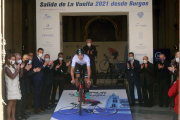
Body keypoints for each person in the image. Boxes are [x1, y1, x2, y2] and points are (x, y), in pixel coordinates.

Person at [4, 54, 23, 120]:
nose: (13, 61)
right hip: (11, 87)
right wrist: (18, 69)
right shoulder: (6, 67)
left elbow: (20, 75)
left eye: (14, 59)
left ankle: (13, 117)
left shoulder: (15, 66)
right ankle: (9, 118)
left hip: (16, 87)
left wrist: (21, 68)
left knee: (14, 103)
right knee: (11, 102)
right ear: (8, 59)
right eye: (12, 59)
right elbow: (12, 76)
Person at [32, 48, 49, 114]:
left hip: (42, 79)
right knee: (36, 94)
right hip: (36, 79)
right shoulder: (34, 59)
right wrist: (44, 65)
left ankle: (39, 107)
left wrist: (48, 65)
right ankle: (36, 108)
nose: (41, 53)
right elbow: (37, 68)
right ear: (37, 52)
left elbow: (44, 69)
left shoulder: (42, 60)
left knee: (40, 94)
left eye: (42, 52)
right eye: (40, 52)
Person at [14, 53, 26, 120]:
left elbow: (21, 75)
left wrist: (21, 68)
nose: (20, 60)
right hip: (15, 85)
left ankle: (21, 113)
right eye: (19, 59)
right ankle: (17, 115)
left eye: (20, 59)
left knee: (22, 100)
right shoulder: (13, 65)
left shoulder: (20, 65)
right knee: (18, 101)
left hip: (21, 83)